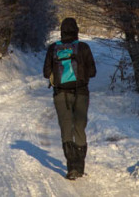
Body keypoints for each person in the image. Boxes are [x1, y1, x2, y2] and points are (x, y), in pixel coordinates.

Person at [43, 17, 96, 180]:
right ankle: (80, 167)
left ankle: (71, 167)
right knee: (79, 127)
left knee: (66, 128)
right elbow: (93, 72)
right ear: (76, 31)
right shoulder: (83, 47)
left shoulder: (53, 48)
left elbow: (46, 73)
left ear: (61, 31)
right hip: (81, 93)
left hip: (60, 95)